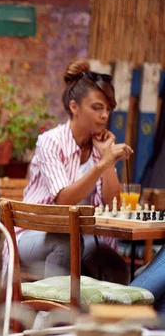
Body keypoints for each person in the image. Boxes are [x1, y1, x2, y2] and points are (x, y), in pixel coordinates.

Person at [15, 59, 132, 284]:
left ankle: (95, 318)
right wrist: (101, 165)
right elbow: (63, 200)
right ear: (74, 106)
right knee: (66, 242)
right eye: (97, 107)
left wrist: (106, 159)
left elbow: (113, 202)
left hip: (79, 237)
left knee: (109, 259)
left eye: (108, 109)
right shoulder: (50, 142)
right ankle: (50, 316)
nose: (104, 115)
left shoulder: (100, 146)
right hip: (35, 235)